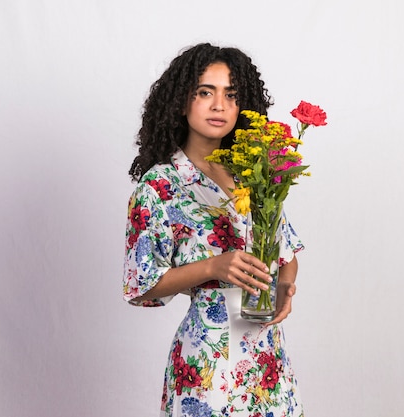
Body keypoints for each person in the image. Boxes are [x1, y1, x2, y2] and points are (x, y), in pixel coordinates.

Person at [123, 43, 305, 417]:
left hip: (266, 357)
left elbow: (285, 251)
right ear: (181, 101)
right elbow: (139, 286)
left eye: (231, 94)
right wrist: (212, 267)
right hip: (207, 359)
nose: (219, 105)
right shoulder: (160, 185)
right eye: (205, 92)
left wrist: (285, 285)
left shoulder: (255, 174)